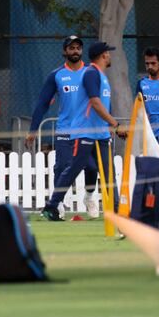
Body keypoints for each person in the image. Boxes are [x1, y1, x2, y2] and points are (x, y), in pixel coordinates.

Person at [41, 42, 126, 221]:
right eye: (108, 53)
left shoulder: (101, 75)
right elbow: (95, 103)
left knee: (108, 173)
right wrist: (115, 124)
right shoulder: (91, 73)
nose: (110, 56)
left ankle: (119, 211)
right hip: (85, 132)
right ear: (103, 56)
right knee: (73, 169)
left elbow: (103, 104)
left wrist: (109, 126)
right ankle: (51, 205)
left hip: (101, 134)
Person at [25, 35, 99, 218]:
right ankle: (58, 204)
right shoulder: (57, 75)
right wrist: (32, 131)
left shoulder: (91, 72)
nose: (75, 51)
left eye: (78, 48)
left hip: (88, 130)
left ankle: (89, 197)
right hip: (65, 129)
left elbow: (102, 100)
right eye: (71, 48)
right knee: (62, 167)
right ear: (64, 51)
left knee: (91, 167)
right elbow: (42, 103)